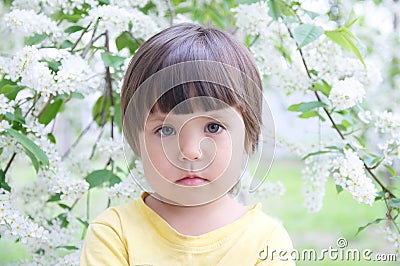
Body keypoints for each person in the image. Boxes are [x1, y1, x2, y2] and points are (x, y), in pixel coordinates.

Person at [80, 23, 294, 265]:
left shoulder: (266, 242)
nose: (190, 152)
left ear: (248, 135)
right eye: (165, 129)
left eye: (213, 127)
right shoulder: (114, 234)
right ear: (136, 140)